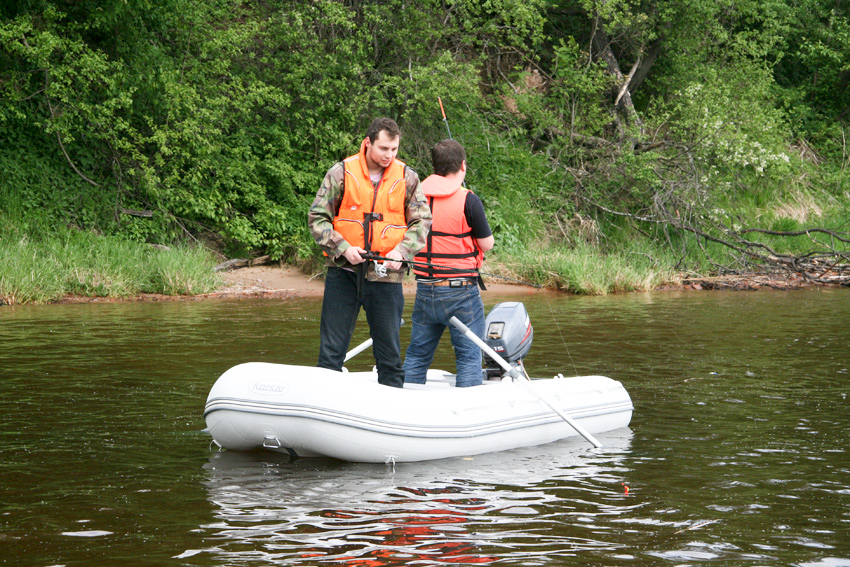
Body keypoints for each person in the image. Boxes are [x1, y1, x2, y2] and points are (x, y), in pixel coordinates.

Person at [308, 117, 431, 388]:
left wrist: (402, 252)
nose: (389, 155)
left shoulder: (408, 177)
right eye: (384, 148)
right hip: (344, 273)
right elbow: (317, 218)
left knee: (389, 356)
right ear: (368, 143)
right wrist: (343, 248)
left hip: (386, 277)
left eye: (394, 149)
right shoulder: (340, 172)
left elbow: (422, 221)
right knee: (330, 354)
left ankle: (391, 413)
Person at [403, 139, 494, 388]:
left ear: (434, 166)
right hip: (461, 292)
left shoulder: (414, 197)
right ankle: (468, 416)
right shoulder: (469, 200)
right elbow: (486, 244)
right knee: (468, 357)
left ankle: (403, 405)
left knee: (417, 355)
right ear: (462, 165)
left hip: (424, 289)